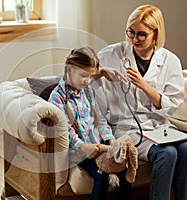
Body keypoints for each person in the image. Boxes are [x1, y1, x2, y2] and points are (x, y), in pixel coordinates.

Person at [93, 4, 187, 200]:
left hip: (159, 126)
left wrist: (144, 86)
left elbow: (172, 104)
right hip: (126, 128)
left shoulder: (170, 60)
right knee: (167, 154)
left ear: (155, 35)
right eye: (130, 32)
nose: (134, 39)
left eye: (141, 34)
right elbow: (83, 79)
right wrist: (98, 74)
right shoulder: (111, 55)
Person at [48, 47, 131, 200]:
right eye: (84, 75)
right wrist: (83, 146)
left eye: (90, 76)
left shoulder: (87, 91)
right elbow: (65, 130)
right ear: (70, 69)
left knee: (121, 168)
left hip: (98, 146)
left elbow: (100, 120)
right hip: (78, 151)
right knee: (102, 174)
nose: (87, 80)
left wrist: (109, 139)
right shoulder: (57, 98)